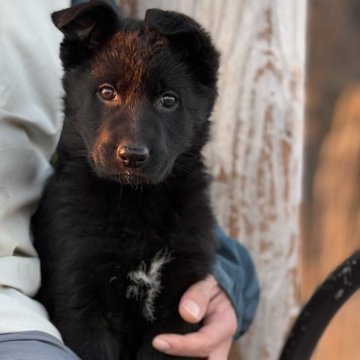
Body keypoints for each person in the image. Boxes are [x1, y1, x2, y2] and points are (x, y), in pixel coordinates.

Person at [0, 1, 259, 359]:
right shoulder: (72, 214)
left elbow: (200, 292)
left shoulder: (191, 219)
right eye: (109, 94)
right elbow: (82, 323)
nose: (132, 142)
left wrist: (231, 281)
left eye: (167, 101)